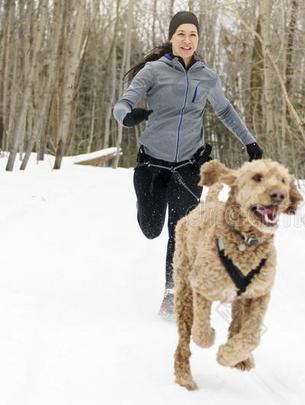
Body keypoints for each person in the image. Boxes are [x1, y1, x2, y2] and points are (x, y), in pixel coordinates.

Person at [113, 11, 263, 318]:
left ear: (198, 39)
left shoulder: (207, 76)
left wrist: (249, 142)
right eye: (181, 34)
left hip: (188, 167)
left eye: (192, 34)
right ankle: (146, 212)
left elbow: (226, 112)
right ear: (172, 37)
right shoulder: (153, 71)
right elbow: (123, 103)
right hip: (151, 166)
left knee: (180, 233)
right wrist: (127, 116)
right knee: (152, 229)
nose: (187, 40)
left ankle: (172, 294)